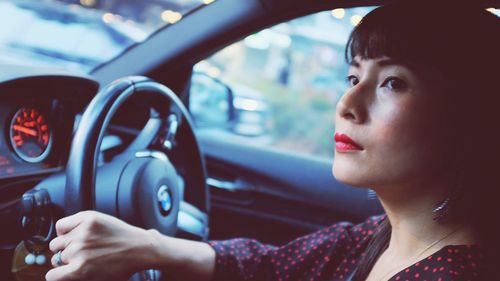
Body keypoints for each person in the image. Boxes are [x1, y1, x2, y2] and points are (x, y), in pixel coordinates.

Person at [45, 2, 500, 281]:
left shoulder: (452, 273)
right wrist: (146, 246)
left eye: (393, 83)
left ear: (471, 115)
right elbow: (270, 267)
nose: (346, 103)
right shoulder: (385, 236)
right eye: (353, 77)